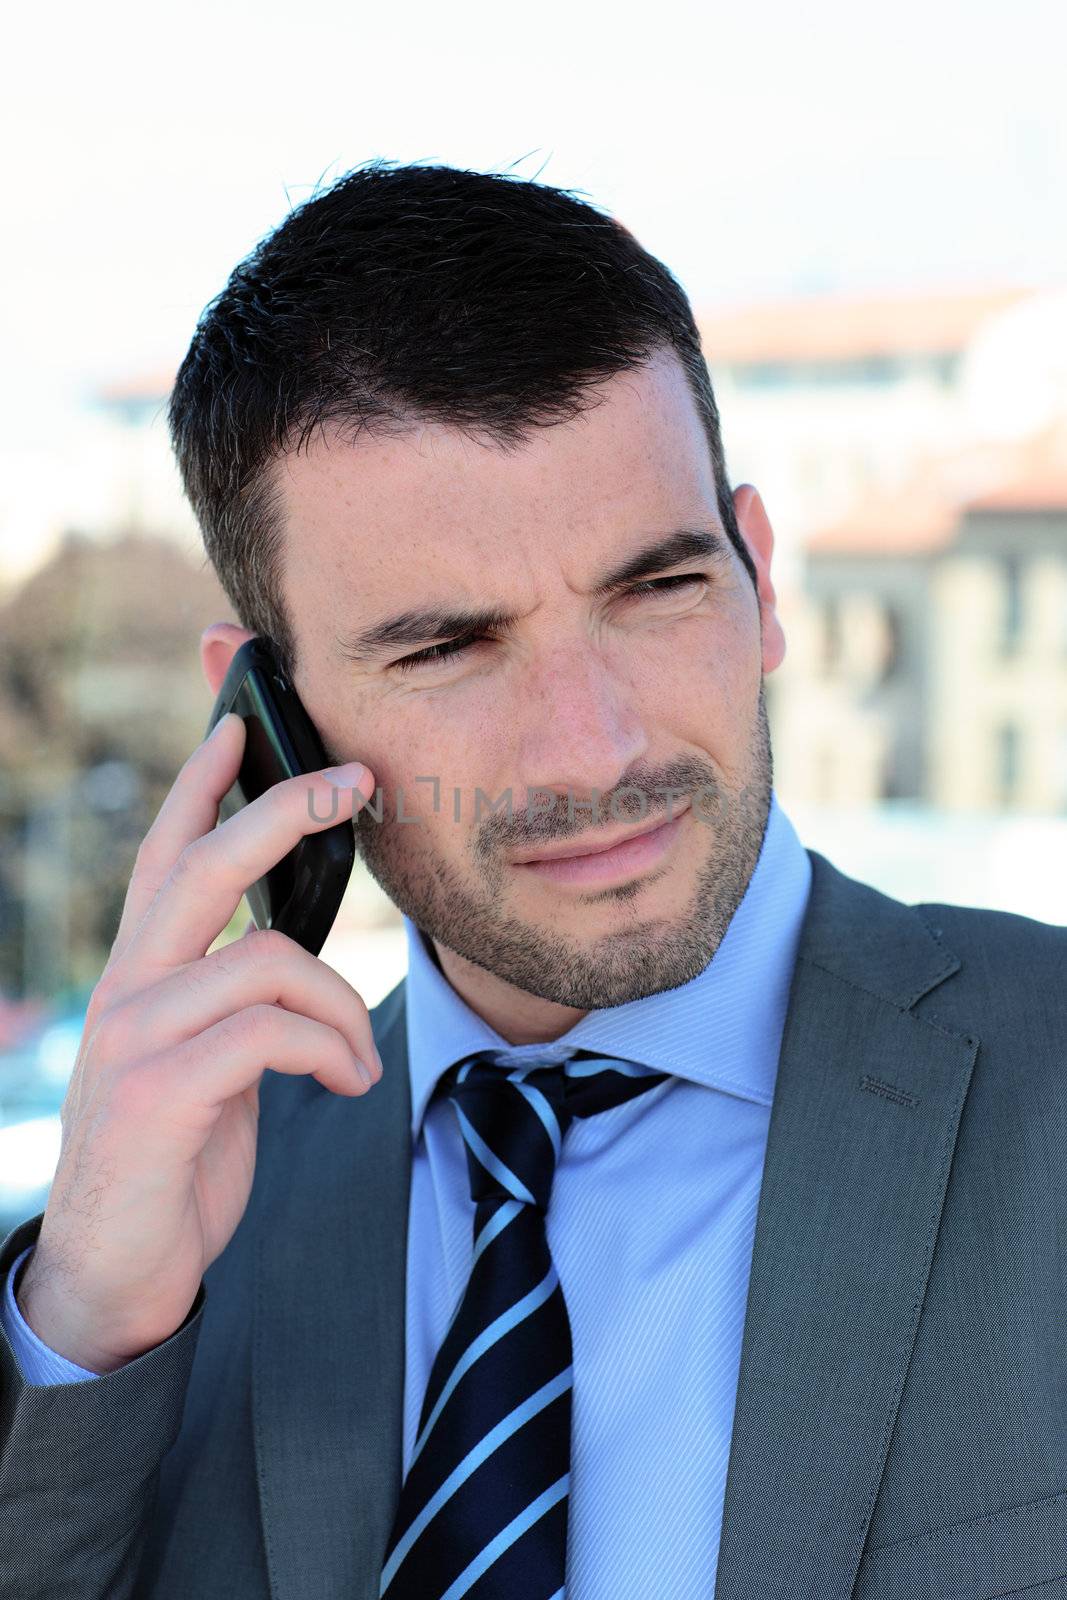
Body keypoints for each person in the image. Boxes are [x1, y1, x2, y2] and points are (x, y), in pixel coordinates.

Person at [1, 162, 1065, 1600]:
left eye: (658, 588)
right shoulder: (161, 1247)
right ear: (265, 713)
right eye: (448, 649)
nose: (595, 749)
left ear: (757, 576)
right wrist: (86, 1326)